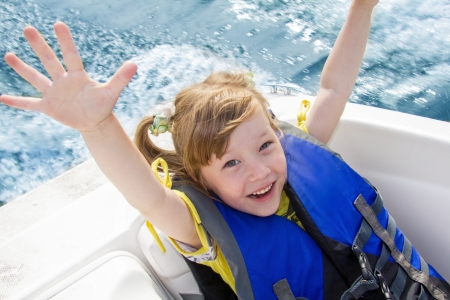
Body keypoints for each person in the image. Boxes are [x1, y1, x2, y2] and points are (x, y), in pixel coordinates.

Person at [1, 0, 449, 299]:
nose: (259, 171)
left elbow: (333, 87)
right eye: (231, 163)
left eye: (265, 146)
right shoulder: (206, 233)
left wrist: (360, 7)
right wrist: (97, 125)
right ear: (202, 180)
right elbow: (148, 197)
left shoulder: (295, 159)